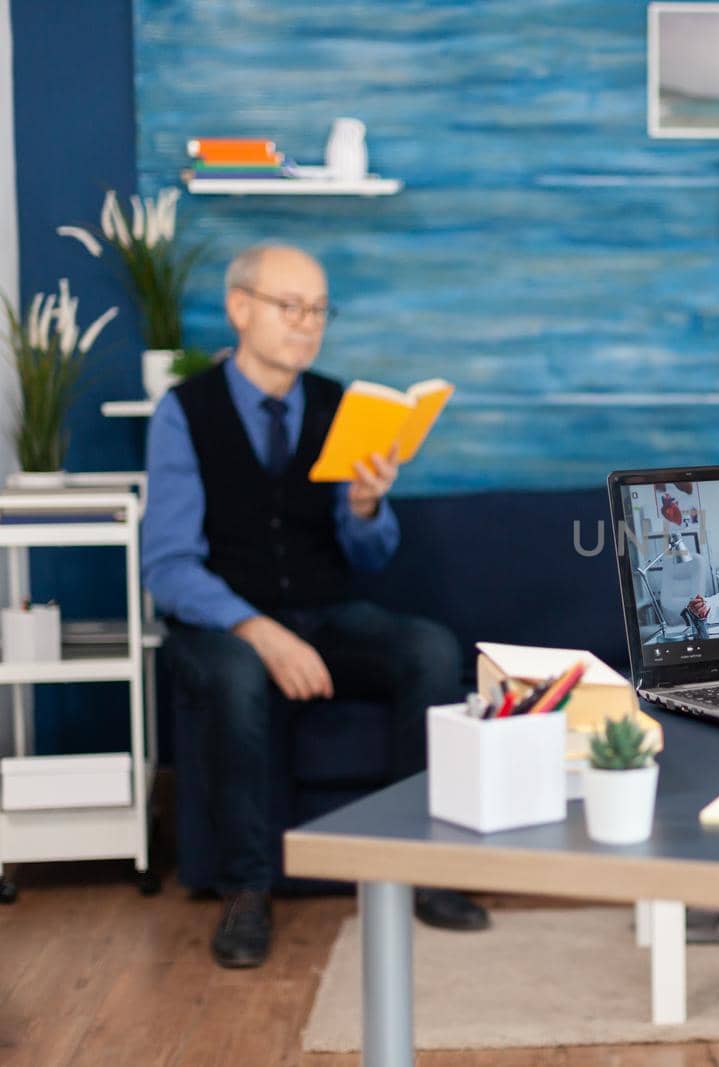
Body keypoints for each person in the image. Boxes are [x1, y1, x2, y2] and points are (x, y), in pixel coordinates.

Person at [144, 244, 490, 969]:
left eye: (319, 310)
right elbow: (167, 565)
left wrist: (366, 505)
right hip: (223, 621)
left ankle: (417, 871)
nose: (307, 324)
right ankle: (245, 891)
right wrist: (261, 632)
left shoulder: (340, 406)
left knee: (429, 648)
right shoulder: (184, 412)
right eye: (289, 306)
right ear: (241, 308)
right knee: (238, 675)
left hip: (326, 613)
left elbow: (367, 556)